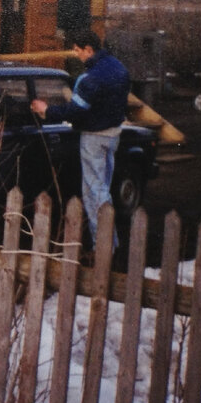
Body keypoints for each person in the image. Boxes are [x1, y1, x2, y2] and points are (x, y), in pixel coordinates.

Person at [30, 29, 130, 251]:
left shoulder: (90, 78)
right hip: (113, 135)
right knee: (104, 187)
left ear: (89, 49)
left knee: (94, 193)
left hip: (94, 138)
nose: (77, 55)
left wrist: (47, 110)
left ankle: (102, 248)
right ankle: (111, 243)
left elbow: (75, 111)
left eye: (78, 51)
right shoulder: (119, 68)